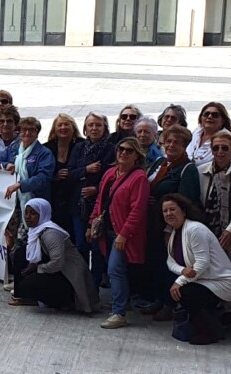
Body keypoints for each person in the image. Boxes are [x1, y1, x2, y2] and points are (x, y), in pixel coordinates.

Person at [162, 194, 231, 345]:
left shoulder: (194, 229)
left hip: (222, 281)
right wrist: (182, 270)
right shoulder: (175, 233)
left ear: (183, 211)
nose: (168, 213)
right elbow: (170, 261)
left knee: (185, 293)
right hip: (204, 279)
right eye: (165, 211)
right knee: (183, 292)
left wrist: (180, 281)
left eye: (172, 209)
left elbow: (202, 262)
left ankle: (211, 332)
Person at [87, 137, 150, 329]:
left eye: (129, 151)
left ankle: (119, 312)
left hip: (122, 235)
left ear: (137, 156)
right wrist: (92, 222)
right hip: (107, 231)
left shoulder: (139, 178)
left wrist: (124, 234)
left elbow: (137, 210)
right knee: (114, 269)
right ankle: (121, 302)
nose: (123, 153)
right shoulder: (110, 173)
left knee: (115, 269)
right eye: (120, 149)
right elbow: (100, 200)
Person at [195, 129, 231, 332]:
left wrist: (229, 232)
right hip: (208, 231)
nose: (220, 152)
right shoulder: (201, 170)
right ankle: (214, 312)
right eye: (216, 148)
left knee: (230, 273)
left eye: (224, 148)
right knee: (208, 271)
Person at [140, 124, 200, 320]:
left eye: (177, 142)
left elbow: (185, 200)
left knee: (170, 263)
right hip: (152, 222)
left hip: (170, 225)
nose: (171, 145)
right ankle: (158, 298)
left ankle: (170, 304)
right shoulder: (159, 162)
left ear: (185, 146)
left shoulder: (187, 169)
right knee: (156, 262)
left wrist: (169, 227)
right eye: (168, 141)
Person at [8, 198, 99, 313]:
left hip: (68, 276)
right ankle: (24, 297)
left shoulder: (50, 234)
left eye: (33, 213)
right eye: (26, 213)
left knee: (28, 284)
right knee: (20, 254)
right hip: (55, 271)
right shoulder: (35, 231)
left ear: (42, 214)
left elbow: (58, 263)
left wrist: (38, 268)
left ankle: (64, 302)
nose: (28, 217)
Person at [69, 112, 116, 256]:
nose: (94, 128)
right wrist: (86, 169)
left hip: (99, 205)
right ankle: (82, 278)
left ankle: (97, 277)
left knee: (97, 246)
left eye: (98, 125)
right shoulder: (79, 147)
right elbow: (70, 173)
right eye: (91, 125)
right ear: (85, 129)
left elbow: (113, 176)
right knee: (80, 244)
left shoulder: (111, 149)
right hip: (78, 204)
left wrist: (97, 189)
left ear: (105, 128)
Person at [45, 114, 82, 240]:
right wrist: (54, 177)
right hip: (54, 199)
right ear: (54, 129)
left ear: (73, 128)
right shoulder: (47, 148)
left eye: (67, 124)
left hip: (75, 197)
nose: (63, 127)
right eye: (59, 125)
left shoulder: (82, 145)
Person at [0, 105, 22, 172]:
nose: (5, 124)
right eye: (2, 121)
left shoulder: (23, 142)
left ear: (16, 123)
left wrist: (3, 164)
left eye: (9, 121)